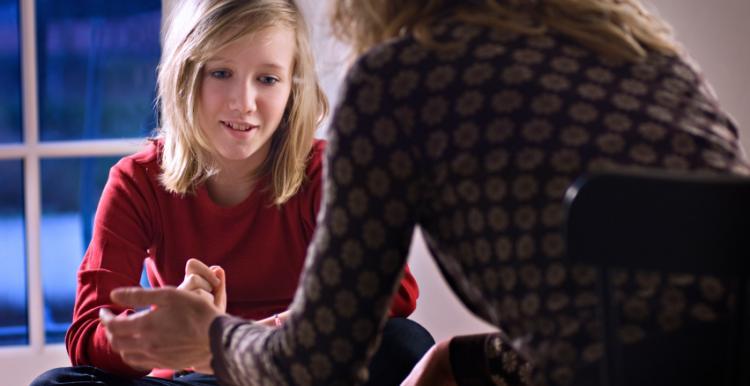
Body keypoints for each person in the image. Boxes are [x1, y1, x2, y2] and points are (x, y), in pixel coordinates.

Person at [97, 0, 750, 385]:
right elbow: (656, 323)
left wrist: (213, 337)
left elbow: (322, 361)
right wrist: (467, 361)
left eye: (269, 78)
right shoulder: (642, 46)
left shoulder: (400, 80)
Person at [30, 1, 433, 386]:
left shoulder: (329, 173)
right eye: (221, 73)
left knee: (404, 345)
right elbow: (86, 336)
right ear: (188, 75)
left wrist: (253, 338)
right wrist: (162, 334)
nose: (243, 103)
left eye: (268, 79)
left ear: (292, 87)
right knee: (56, 384)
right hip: (194, 378)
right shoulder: (137, 181)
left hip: (303, 369)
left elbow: (395, 291)